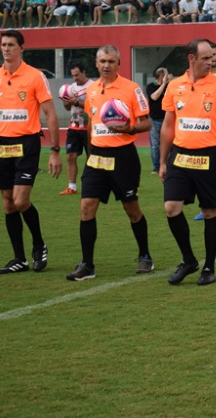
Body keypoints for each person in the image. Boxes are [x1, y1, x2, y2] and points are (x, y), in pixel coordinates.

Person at [0, 30, 61, 274]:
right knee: (8, 204)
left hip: (28, 144)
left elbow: (51, 114)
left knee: (21, 200)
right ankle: (19, 259)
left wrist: (54, 150)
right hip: (1, 144)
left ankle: (39, 244)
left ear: (22, 48)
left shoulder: (35, 77)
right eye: (3, 44)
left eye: (11, 44)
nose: (6, 48)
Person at [65, 46, 153, 281]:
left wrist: (130, 128)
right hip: (97, 158)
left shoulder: (132, 89)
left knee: (131, 209)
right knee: (86, 208)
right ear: (96, 63)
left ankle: (145, 256)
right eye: (102, 61)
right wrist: (91, 150)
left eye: (111, 61)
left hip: (124, 157)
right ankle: (87, 264)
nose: (106, 65)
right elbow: (92, 122)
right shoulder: (92, 90)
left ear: (118, 63)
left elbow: (147, 123)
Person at [159, 39, 216, 286]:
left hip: (211, 156)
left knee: (209, 212)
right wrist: (162, 161)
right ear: (191, 59)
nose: (212, 61)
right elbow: (168, 125)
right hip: (180, 156)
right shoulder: (174, 86)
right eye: (206, 58)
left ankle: (209, 268)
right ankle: (189, 260)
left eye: (213, 57)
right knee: (171, 208)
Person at [59, 63, 93, 195]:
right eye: (73, 75)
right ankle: (72, 187)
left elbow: (94, 106)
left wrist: (76, 102)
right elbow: (69, 108)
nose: (75, 78)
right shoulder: (71, 88)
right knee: (70, 156)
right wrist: (66, 103)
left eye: (77, 75)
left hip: (88, 127)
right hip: (73, 127)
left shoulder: (92, 86)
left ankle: (94, 184)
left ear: (84, 72)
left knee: (92, 157)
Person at [146, 68, 171, 175]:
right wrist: (163, 84)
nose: (169, 76)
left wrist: (167, 84)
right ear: (161, 76)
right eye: (166, 74)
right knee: (155, 145)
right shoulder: (150, 86)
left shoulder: (169, 87)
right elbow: (154, 97)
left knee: (169, 143)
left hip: (167, 120)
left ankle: (168, 165)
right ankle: (156, 167)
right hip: (154, 120)